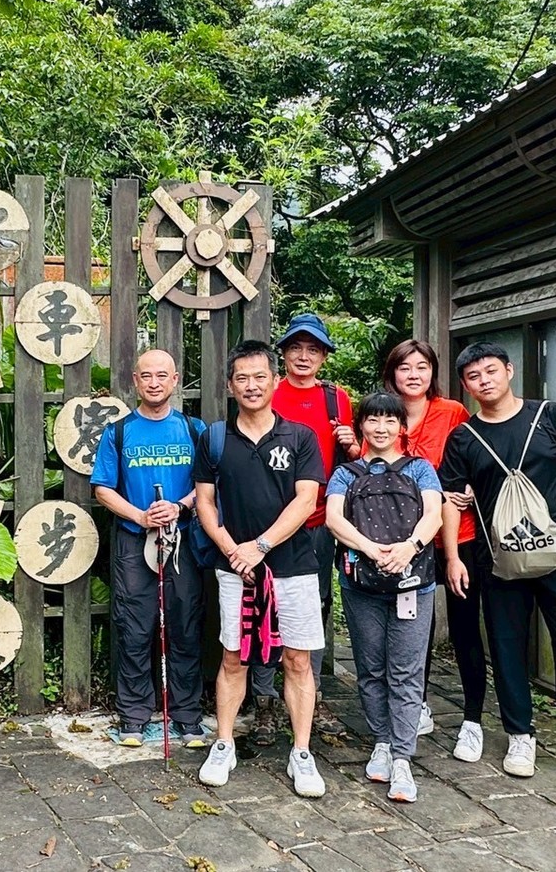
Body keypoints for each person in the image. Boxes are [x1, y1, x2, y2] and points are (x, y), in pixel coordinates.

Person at [439, 342, 556, 792]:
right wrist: (453, 557)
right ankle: (520, 735)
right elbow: (450, 500)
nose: (484, 380)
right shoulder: (464, 437)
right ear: (465, 386)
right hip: (498, 561)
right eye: (474, 376)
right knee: (506, 648)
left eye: (491, 370)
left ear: (509, 370)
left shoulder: (551, 416)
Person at [193, 340, 329, 798]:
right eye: (242, 378)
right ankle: (224, 743)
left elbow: (306, 500)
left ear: (274, 381)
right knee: (234, 658)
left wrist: (261, 546)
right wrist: (234, 550)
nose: (251, 385)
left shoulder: (300, 437)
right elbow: (205, 503)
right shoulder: (214, 438)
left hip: (293, 566)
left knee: (298, 659)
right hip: (234, 568)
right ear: (230, 386)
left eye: (259, 377)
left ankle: (302, 752)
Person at [325, 392, 444, 803]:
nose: (381, 428)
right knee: (371, 667)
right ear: (361, 425)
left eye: (390, 420)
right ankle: (381, 741)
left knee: (406, 671)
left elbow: (434, 514)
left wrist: (409, 547)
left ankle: (403, 757)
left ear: (401, 427)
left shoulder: (421, 469)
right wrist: (371, 549)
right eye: (373, 420)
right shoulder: (346, 474)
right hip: (361, 584)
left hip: (413, 582)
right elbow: (333, 518)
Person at [91, 349, 207, 749]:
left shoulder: (193, 430)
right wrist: (140, 517)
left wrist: (180, 507)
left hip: (183, 538)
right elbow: (103, 488)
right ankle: (134, 715)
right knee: (134, 626)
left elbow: (208, 485)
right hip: (133, 538)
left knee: (185, 624)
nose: (154, 383)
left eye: (162, 375)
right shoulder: (118, 432)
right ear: (135, 381)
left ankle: (187, 715)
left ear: (175, 380)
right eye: (146, 376)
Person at [255, 312, 357, 743]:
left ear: (324, 357)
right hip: (269, 521)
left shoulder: (337, 399)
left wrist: (353, 445)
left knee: (313, 607)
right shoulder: (268, 392)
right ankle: (263, 698)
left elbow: (352, 460)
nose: (303, 356)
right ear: (282, 354)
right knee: (262, 604)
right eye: (295, 348)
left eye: (313, 349)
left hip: (318, 522)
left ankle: (308, 692)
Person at [383, 339, 486, 760]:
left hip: (459, 537)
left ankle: (473, 719)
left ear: (433, 373)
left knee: (465, 628)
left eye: (422, 366)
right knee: (413, 630)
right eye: (405, 367)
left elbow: (478, 460)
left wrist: (470, 489)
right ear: (392, 374)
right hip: (405, 542)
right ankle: (418, 703)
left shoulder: (453, 412)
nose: (413, 374)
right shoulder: (383, 415)